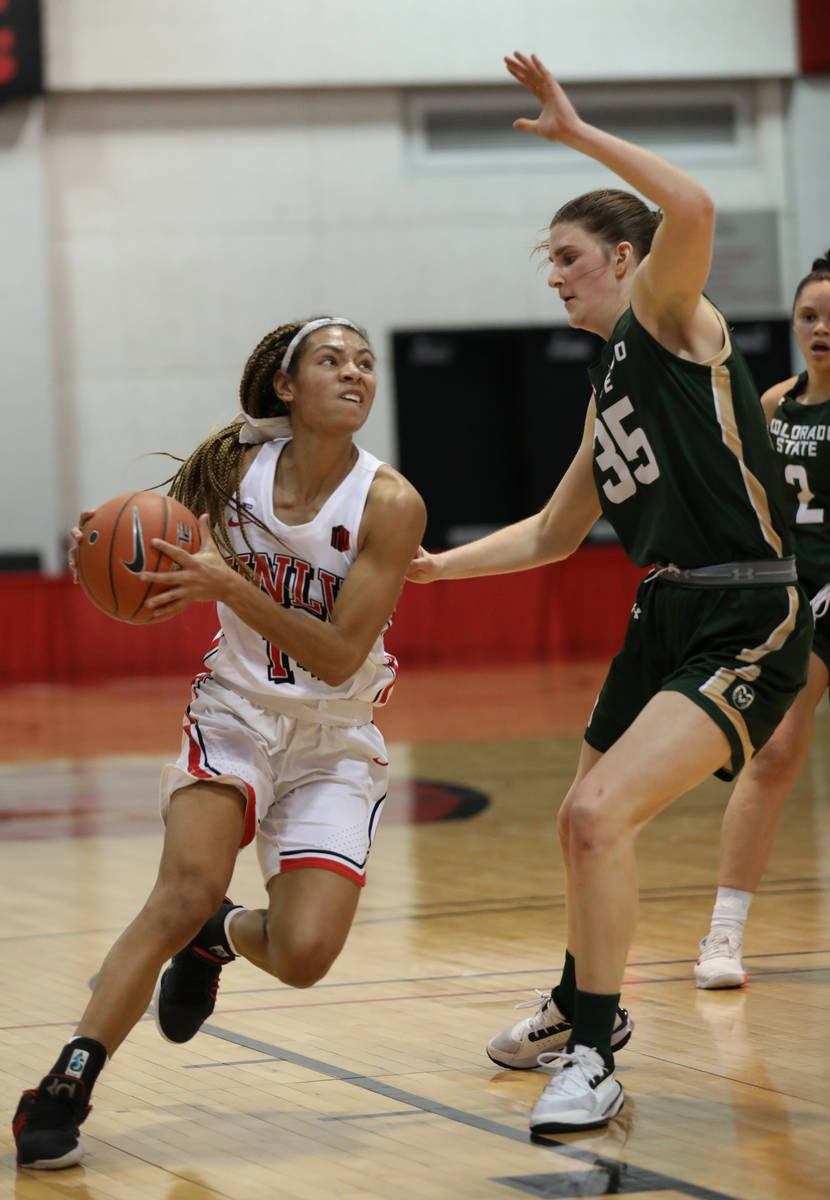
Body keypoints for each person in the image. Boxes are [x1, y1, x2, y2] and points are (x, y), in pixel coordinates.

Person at [406, 52, 812, 1135]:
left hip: (744, 608)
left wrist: (578, 130)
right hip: (665, 610)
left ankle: (592, 1053)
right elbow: (550, 532)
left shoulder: (670, 317)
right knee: (578, 821)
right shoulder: (608, 382)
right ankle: (578, 1001)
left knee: (596, 813)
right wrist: (433, 569)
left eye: (569, 257)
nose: (553, 276)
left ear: (624, 259)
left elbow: (693, 201)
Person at [13, 316, 426, 1170]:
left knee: (305, 955)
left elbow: (342, 652)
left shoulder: (390, 503)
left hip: (334, 738)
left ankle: (221, 937)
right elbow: (156, 534)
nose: (354, 374)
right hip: (236, 710)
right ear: (285, 384)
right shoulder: (237, 470)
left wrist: (229, 585)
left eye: (364, 363)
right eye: (330, 361)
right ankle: (65, 1084)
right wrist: (114, 535)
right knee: (182, 887)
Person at [695, 253, 830, 987]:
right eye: (809, 316)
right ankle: (723, 935)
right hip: (799, 599)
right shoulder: (776, 403)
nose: (820, 329)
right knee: (775, 756)